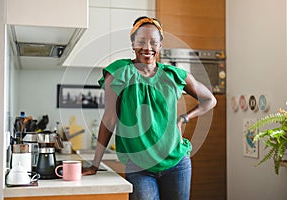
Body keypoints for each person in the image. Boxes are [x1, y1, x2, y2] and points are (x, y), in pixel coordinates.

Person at [82, 16, 217, 200]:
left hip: (176, 163)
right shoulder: (119, 72)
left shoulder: (173, 76)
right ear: (132, 44)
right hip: (139, 167)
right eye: (141, 41)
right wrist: (95, 164)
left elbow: (209, 100)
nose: (147, 47)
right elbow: (109, 118)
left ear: (160, 45)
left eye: (153, 42)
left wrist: (184, 118)